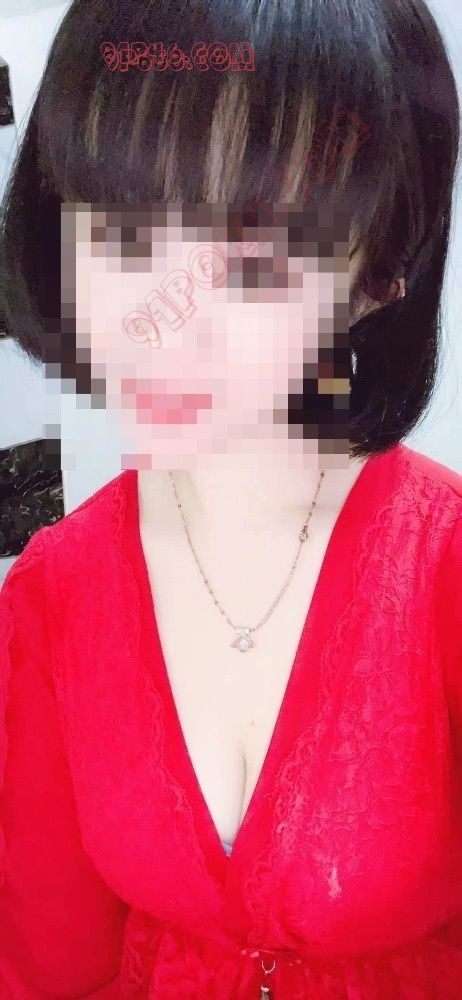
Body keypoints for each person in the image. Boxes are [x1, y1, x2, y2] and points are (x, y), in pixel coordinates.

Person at [1, 0, 462, 996]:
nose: (162, 324)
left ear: (379, 276)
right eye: (121, 236)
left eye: (253, 263)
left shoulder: (444, 574)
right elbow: (46, 961)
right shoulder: (52, 595)